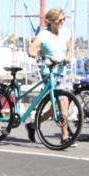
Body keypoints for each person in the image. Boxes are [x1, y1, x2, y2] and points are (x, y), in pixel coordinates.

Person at [26, 8, 73, 145]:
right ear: (51, 21)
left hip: (61, 72)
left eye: (64, 19)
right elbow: (31, 49)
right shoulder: (44, 35)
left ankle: (33, 125)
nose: (62, 22)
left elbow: (69, 48)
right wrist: (37, 55)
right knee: (63, 103)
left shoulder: (65, 32)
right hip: (50, 72)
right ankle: (65, 137)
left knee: (55, 108)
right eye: (59, 20)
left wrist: (68, 57)